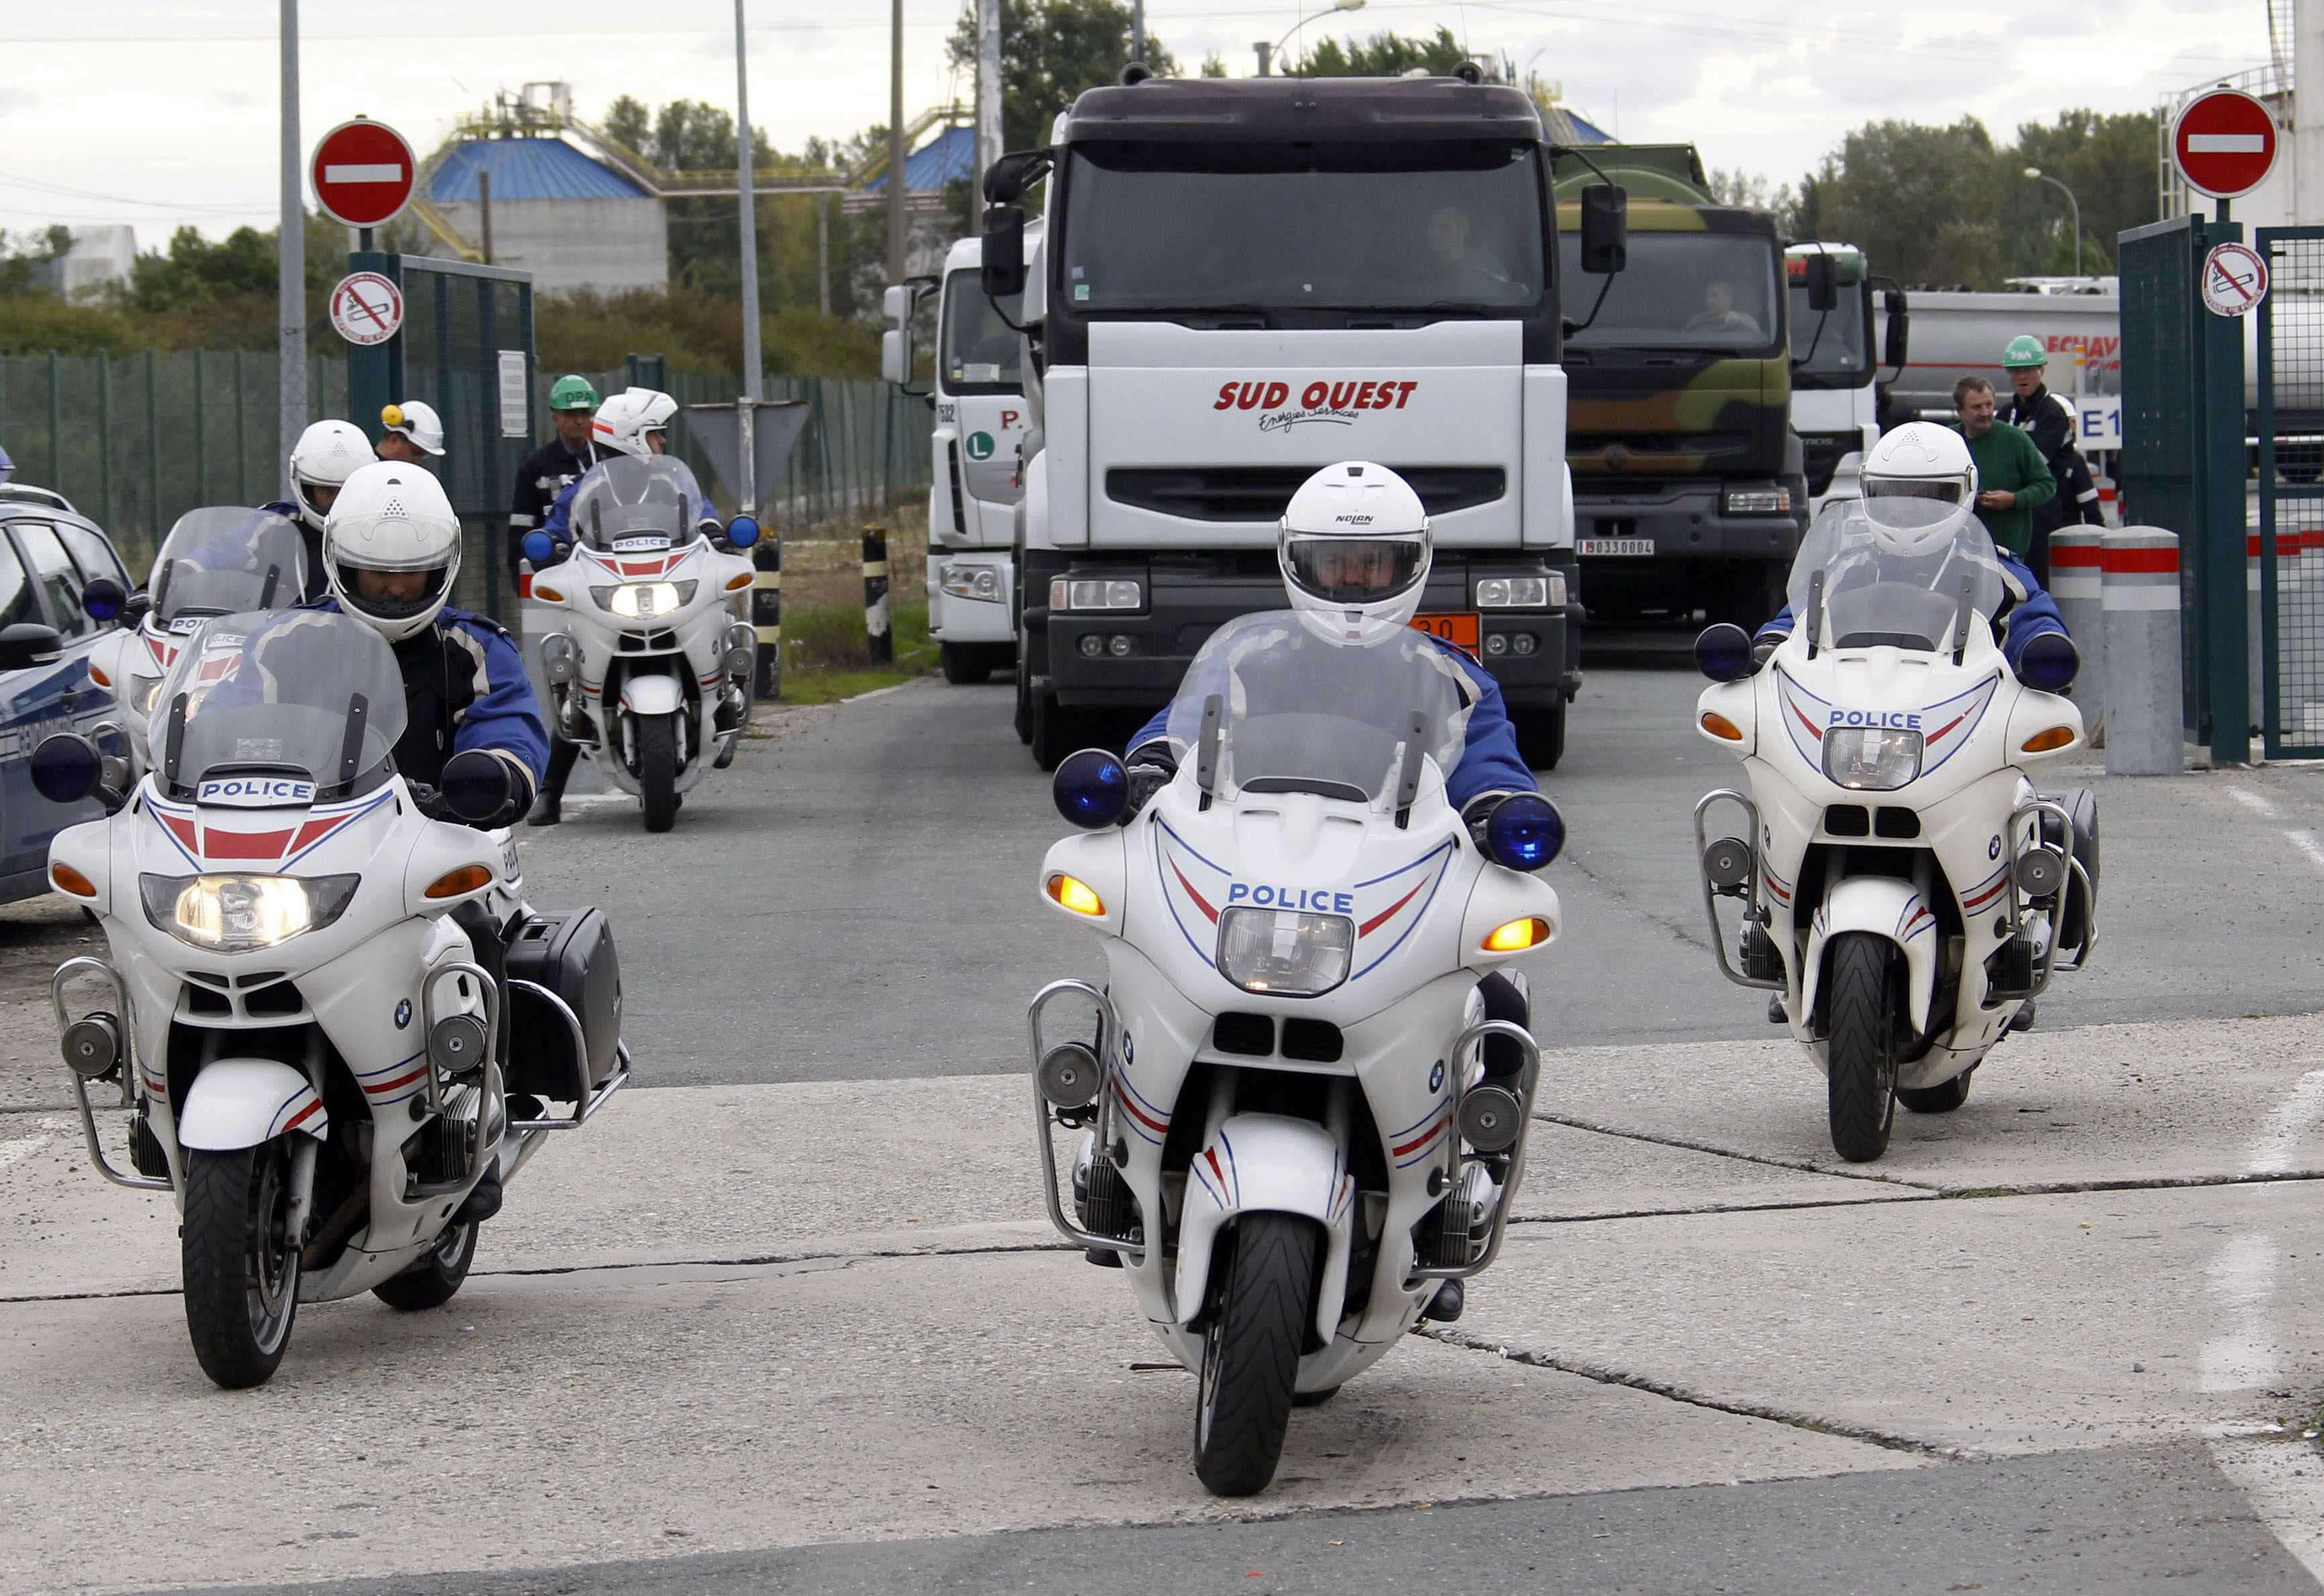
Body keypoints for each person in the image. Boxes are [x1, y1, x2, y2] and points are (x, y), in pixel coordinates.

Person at [1122, 460, 1541, 1098]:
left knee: (1499, 1005)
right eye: (1334, 562)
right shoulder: (1247, 658)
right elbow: (1178, 726)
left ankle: (1481, 1132)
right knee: (1139, 974)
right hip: (1253, 868)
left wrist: (1496, 807)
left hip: (1386, 880)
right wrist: (1149, 765)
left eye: (1371, 564)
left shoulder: (1454, 680)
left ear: (1409, 567)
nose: (1351, 579)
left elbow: (1488, 760)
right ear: (1298, 562)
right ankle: (1114, 1110)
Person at [313, 460, 550, 1221]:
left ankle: (476, 1110)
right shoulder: (291, 640)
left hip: (437, 845)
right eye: (372, 577)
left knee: (473, 933)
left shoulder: (470, 650)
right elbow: (226, 711)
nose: (388, 593)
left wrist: (497, 776)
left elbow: (512, 721)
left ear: (439, 570)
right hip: (310, 845)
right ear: (338, 564)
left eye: (407, 580)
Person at [528, 391, 721, 826]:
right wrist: (551, 543)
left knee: (718, 617)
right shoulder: (589, 487)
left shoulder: (672, 483)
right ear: (632, 437)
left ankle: (722, 696)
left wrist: (716, 530)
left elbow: (702, 512)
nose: (661, 444)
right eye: (655, 435)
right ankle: (550, 791)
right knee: (576, 681)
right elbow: (560, 523)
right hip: (609, 592)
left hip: (665, 584)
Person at [1754, 424, 2069, 670]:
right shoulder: (1850, 566)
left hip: (1964, 716)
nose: (1908, 509)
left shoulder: (1995, 570)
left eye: (1930, 496)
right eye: (1893, 495)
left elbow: (2033, 619)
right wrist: (1770, 644)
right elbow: (1797, 618)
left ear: (1966, 490)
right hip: (1854, 710)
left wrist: (2042, 647)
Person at [2000, 335, 2102, 581]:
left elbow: (2034, 464)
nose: (2022, 377)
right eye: (2016, 371)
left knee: (2040, 585)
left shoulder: (2051, 414)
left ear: (2041, 370)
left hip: (2044, 519)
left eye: (2028, 370)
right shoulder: (2006, 413)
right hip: (2011, 518)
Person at [508, 375, 603, 588]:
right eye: (570, 414)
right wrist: (523, 584)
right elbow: (521, 531)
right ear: (555, 418)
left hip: (603, 570)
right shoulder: (536, 466)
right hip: (555, 573)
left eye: (584, 413)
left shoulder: (605, 461)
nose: (579, 420)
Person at [1949, 375, 2055, 564]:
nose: (1985, 412)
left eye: (1989, 405)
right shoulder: (1948, 440)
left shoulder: (2015, 439)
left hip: (2007, 554)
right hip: (1957, 553)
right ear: (1959, 411)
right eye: (1976, 407)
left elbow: (2047, 485)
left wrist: (2014, 499)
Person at [263, 420, 373, 600]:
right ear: (306, 487)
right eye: (327, 490)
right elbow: (214, 557)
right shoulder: (272, 524)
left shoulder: (381, 534)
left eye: (347, 490)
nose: (338, 500)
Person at [1685, 279, 1766, 342]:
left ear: (1729, 298)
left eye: (1714, 296)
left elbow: (1758, 339)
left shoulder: (1745, 320)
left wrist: (1739, 321)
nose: (1709, 300)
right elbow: (1684, 340)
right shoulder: (1696, 321)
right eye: (1707, 296)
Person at [376, 400, 446, 468]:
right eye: (416, 453)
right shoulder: (366, 467)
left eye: (424, 456)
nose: (418, 461)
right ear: (394, 441)